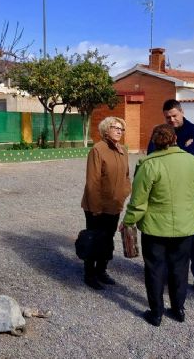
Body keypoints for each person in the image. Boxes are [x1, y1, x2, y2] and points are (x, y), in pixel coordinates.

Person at [122, 124, 194, 326]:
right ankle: (178, 309)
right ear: (175, 139)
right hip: (185, 225)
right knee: (180, 267)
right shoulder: (191, 160)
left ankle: (157, 313)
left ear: (154, 141)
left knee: (154, 269)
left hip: (155, 227)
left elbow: (138, 200)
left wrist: (128, 221)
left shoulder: (148, 164)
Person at [147, 99, 194, 297]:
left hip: (187, 194)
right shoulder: (160, 131)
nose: (172, 120)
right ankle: (169, 275)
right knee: (166, 236)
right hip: (164, 193)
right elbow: (151, 153)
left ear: (182, 112)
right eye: (168, 117)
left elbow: (193, 157)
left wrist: (168, 151)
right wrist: (182, 147)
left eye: (175, 115)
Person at [80, 116, 131, 290]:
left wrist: (124, 194)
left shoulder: (123, 150)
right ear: (105, 130)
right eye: (115, 127)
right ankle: (89, 274)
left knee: (108, 240)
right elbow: (92, 181)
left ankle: (102, 271)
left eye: (121, 129)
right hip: (97, 207)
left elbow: (126, 177)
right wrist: (95, 208)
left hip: (114, 206)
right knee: (94, 239)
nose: (119, 131)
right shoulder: (97, 149)